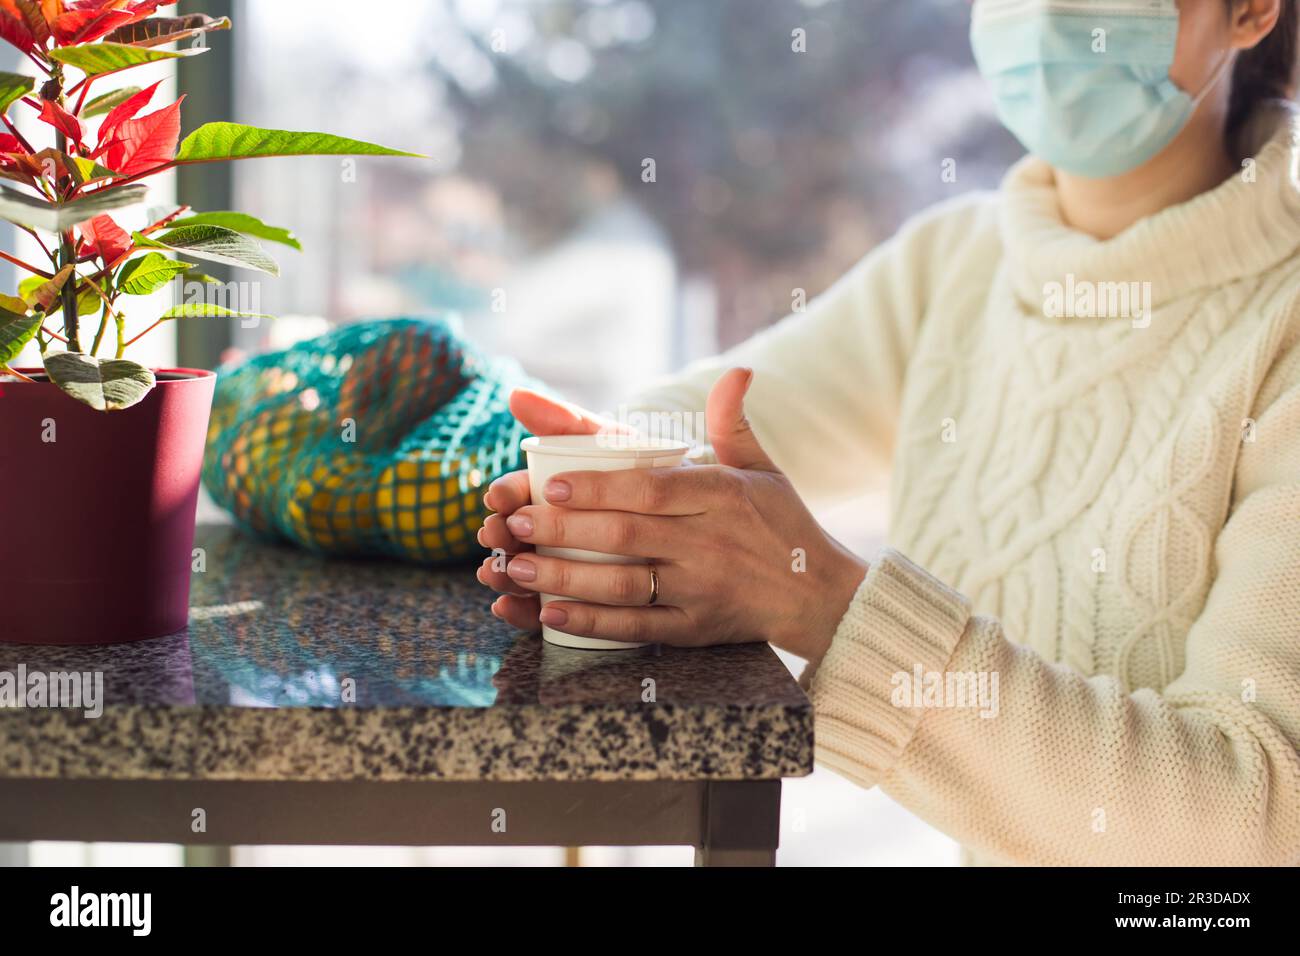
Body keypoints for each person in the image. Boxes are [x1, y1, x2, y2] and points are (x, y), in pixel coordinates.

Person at [476, 0, 1300, 865]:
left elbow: (1260, 824)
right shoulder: (958, 264)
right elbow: (688, 428)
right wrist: (572, 485)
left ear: (1248, 11)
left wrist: (827, 606)